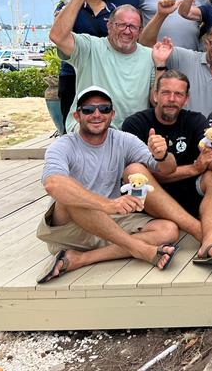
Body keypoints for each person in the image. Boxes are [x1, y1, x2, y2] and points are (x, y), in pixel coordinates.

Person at [36, 86, 181, 283]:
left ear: (112, 114)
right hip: (71, 228)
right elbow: (53, 184)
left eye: (104, 109)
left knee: (169, 230)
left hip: (109, 223)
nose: (97, 114)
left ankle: (81, 258)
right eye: (88, 109)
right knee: (71, 194)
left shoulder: (123, 140)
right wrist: (108, 205)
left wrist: (162, 155)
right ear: (77, 116)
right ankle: (139, 248)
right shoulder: (63, 145)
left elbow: (167, 169)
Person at [121, 71, 212, 265]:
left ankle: (211, 239)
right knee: (134, 170)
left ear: (186, 99)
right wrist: (194, 168)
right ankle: (204, 235)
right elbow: (143, 176)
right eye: (166, 93)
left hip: (191, 196)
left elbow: (209, 151)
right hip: (153, 202)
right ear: (155, 95)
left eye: (178, 94)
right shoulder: (135, 124)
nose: (172, 99)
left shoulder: (195, 120)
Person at [50, 0, 156, 132]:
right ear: (109, 26)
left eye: (133, 27)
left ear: (140, 31)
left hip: (132, 135)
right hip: (90, 131)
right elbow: (57, 36)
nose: (127, 31)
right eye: (121, 25)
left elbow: (156, 100)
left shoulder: (149, 56)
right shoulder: (89, 48)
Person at [140, 8, 212, 117]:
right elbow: (146, 44)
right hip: (180, 129)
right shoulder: (185, 57)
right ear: (206, 43)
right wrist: (161, 15)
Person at [54, 0, 116, 129]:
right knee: (72, 121)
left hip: (103, 73)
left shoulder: (114, 11)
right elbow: (58, 35)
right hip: (71, 73)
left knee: (99, 118)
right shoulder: (70, 7)